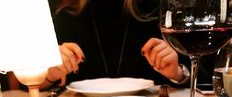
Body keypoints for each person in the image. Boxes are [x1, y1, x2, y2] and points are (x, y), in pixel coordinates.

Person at [43, 0, 192, 89]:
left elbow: (198, 77)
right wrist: (50, 73)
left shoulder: (156, 8)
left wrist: (177, 73)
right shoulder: (64, 11)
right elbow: (28, 84)